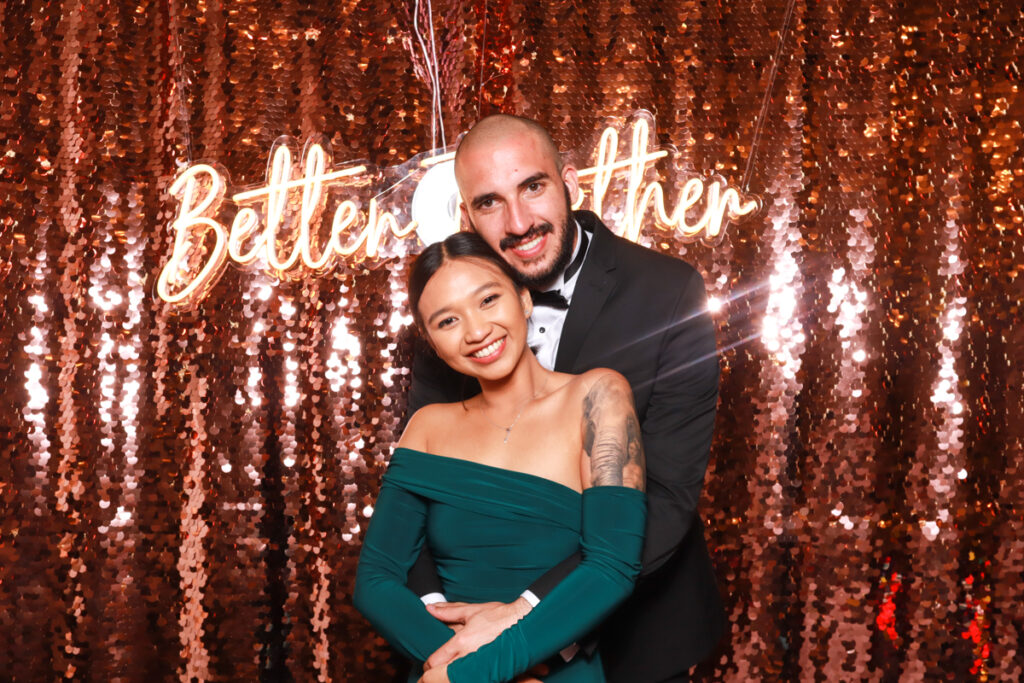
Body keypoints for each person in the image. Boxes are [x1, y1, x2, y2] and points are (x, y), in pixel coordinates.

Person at [405, 115, 725, 683]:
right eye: (489, 202)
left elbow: (667, 495)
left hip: (632, 641)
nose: (519, 221)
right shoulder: (447, 309)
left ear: (571, 184)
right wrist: (442, 625)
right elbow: (422, 483)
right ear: (466, 216)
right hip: (469, 635)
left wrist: (528, 623)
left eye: (533, 186)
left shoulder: (668, 291)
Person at [354, 232, 648, 682]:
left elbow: (611, 567)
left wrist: (488, 670)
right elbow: (376, 579)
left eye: (488, 300)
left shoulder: (597, 396)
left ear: (524, 298)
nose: (476, 331)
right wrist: (460, 664)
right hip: (446, 664)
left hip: (554, 668)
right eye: (447, 321)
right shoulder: (429, 426)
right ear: (432, 342)